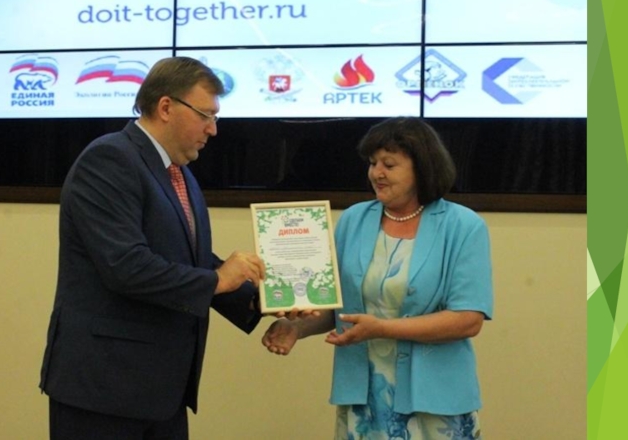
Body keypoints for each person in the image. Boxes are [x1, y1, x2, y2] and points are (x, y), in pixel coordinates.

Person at [39, 56, 266, 440]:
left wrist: (265, 297)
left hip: (162, 393)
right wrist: (218, 279)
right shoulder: (110, 159)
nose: (213, 130)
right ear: (165, 107)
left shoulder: (180, 174)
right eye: (206, 115)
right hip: (104, 390)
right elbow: (126, 266)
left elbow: (188, 261)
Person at [262, 117, 494, 439]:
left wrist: (382, 328)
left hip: (436, 402)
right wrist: (296, 327)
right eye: (372, 163)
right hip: (365, 400)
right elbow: (338, 307)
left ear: (422, 167)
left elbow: (468, 320)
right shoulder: (353, 220)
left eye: (389, 164)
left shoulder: (463, 226)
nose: (376, 173)